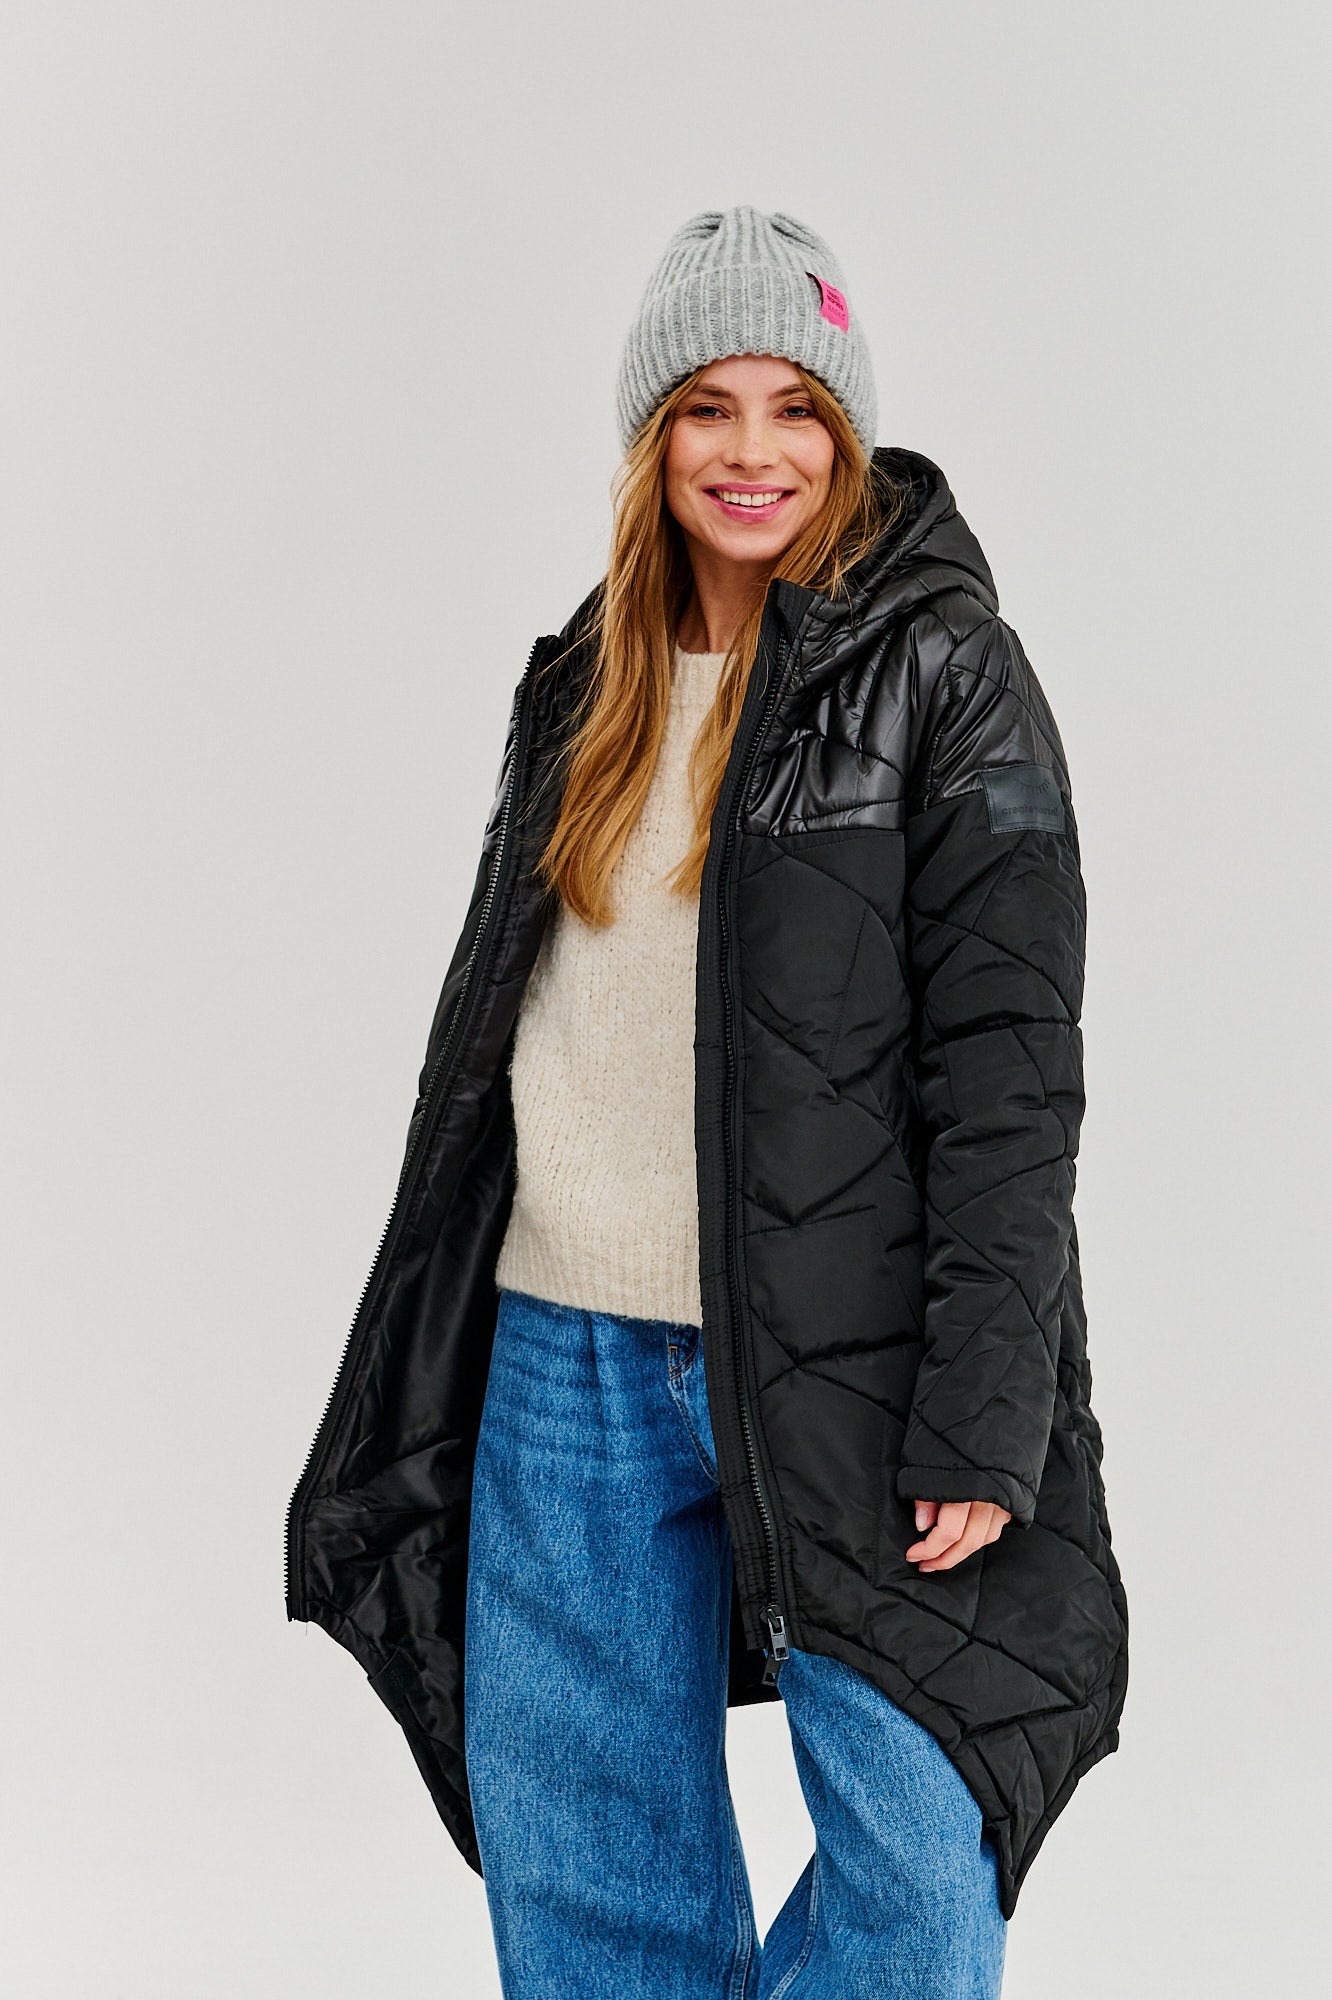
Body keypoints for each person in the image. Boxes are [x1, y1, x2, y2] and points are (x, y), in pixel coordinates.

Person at [285, 205, 1129, 1999]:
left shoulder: (950, 675)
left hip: (854, 1368)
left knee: (922, 1885)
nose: (754, 453)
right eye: (707, 408)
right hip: (562, 1364)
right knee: (595, 1897)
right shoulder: (580, 684)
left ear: (849, 430)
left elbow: (1014, 1070)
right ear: (650, 436)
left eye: (797, 407)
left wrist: (988, 1413)